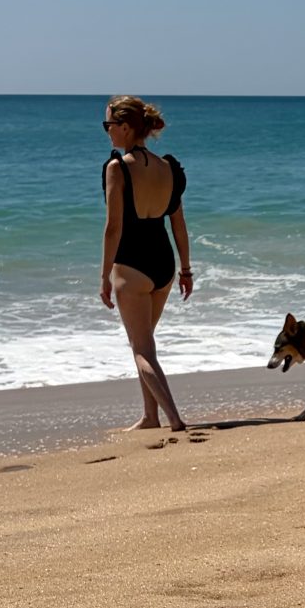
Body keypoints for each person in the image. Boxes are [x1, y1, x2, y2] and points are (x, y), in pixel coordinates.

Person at [99, 96, 194, 433]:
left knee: (141, 349)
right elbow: (179, 225)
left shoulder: (118, 168)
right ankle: (150, 416)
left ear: (126, 127)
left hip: (132, 264)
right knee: (146, 343)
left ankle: (173, 418)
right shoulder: (169, 167)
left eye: (108, 125)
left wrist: (104, 276)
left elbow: (113, 228)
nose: (107, 132)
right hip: (163, 264)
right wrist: (185, 270)